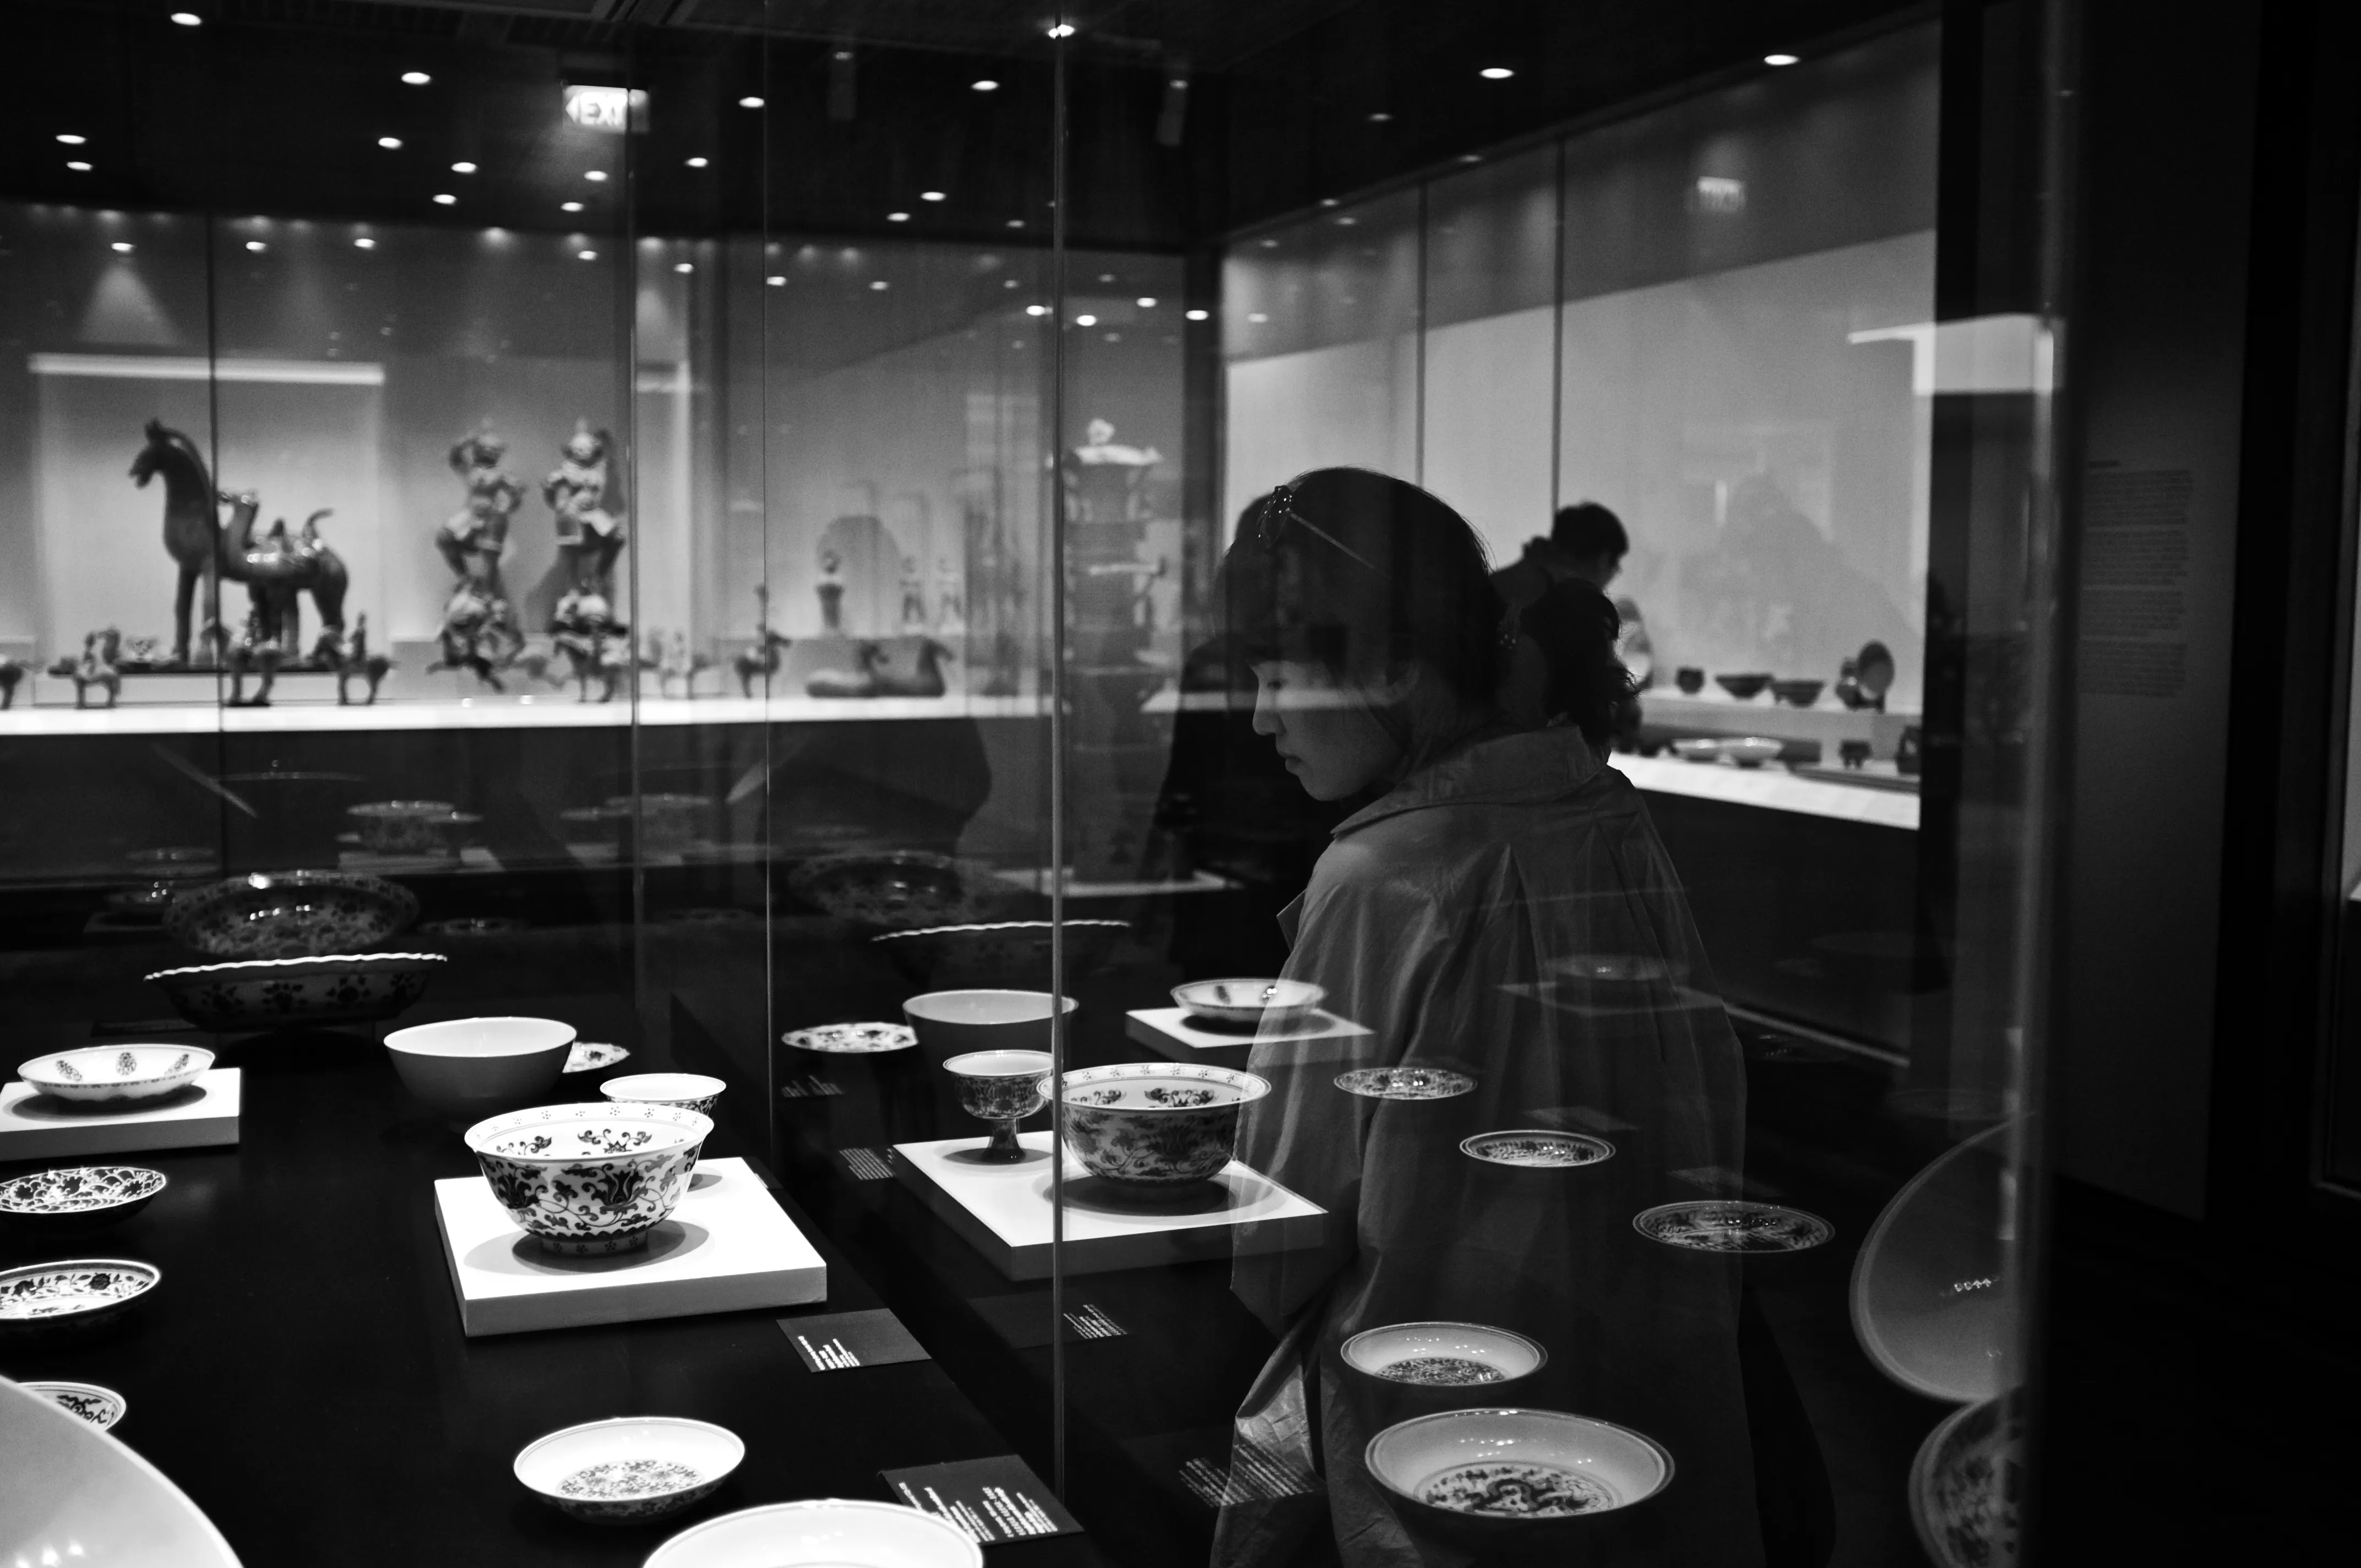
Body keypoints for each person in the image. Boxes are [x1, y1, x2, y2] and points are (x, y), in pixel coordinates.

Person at [1210, 468, 1761, 1567]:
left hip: (1426, 1404)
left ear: (1394, 667)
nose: (1261, 715)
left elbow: (1279, 1228)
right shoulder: (1604, 809)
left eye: (1280, 675)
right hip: (1643, 1368)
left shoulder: (1381, 871)